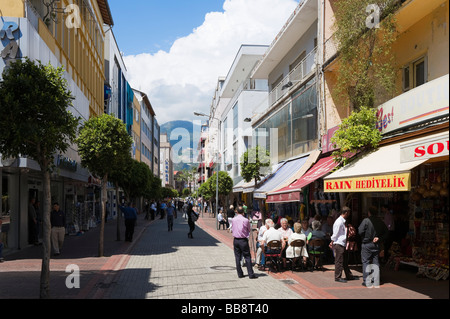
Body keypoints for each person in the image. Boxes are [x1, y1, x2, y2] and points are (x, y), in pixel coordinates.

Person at [358, 206, 388, 287]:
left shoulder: (366, 221)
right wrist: (379, 238)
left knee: (366, 262)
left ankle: (367, 281)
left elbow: (360, 231)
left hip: (367, 243)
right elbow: (386, 233)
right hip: (376, 244)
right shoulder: (380, 221)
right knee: (376, 261)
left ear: (369, 212)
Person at [329, 206, 355, 283]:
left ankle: (348, 275)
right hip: (339, 243)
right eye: (349, 213)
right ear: (346, 213)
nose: (349, 215)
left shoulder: (342, 221)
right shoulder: (339, 222)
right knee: (339, 260)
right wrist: (332, 241)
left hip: (342, 243)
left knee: (344, 260)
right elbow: (335, 233)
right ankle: (337, 276)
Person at [231, 206, 257, 279]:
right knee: (247, 257)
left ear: (237, 212)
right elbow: (249, 229)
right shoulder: (245, 220)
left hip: (236, 240)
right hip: (243, 240)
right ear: (243, 212)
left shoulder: (233, 219)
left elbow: (232, 228)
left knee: (237, 257)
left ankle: (240, 273)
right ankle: (251, 274)